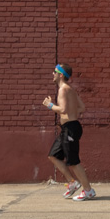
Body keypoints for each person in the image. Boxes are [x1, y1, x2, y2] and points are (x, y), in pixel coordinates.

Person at [42, 63, 96, 201]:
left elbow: (63, 110)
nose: (52, 74)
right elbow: (82, 108)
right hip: (68, 128)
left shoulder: (63, 90)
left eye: (54, 71)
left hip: (71, 129)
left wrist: (49, 105)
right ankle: (72, 183)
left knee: (73, 162)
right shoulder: (70, 89)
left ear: (61, 75)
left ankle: (88, 190)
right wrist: (72, 112)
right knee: (53, 155)